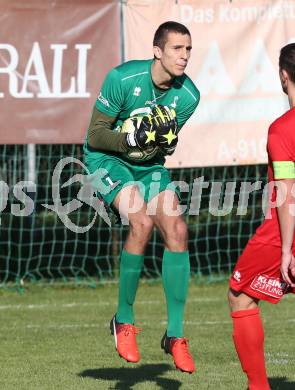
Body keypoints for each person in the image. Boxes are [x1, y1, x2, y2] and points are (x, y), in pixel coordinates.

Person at [83, 21, 200, 373]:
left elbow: (160, 143)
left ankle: (175, 336)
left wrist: (165, 140)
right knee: (141, 221)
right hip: (107, 159)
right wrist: (127, 141)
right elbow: (95, 136)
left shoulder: (189, 96)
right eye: (177, 48)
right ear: (157, 50)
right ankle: (124, 321)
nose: (184, 56)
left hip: (148, 167)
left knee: (177, 231)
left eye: (188, 49)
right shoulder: (123, 78)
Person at [228, 43, 295, 390]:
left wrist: (286, 250)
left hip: (284, 231)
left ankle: (258, 387)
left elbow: (286, 193)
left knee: (240, 294)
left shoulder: (283, 129)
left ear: (284, 75)